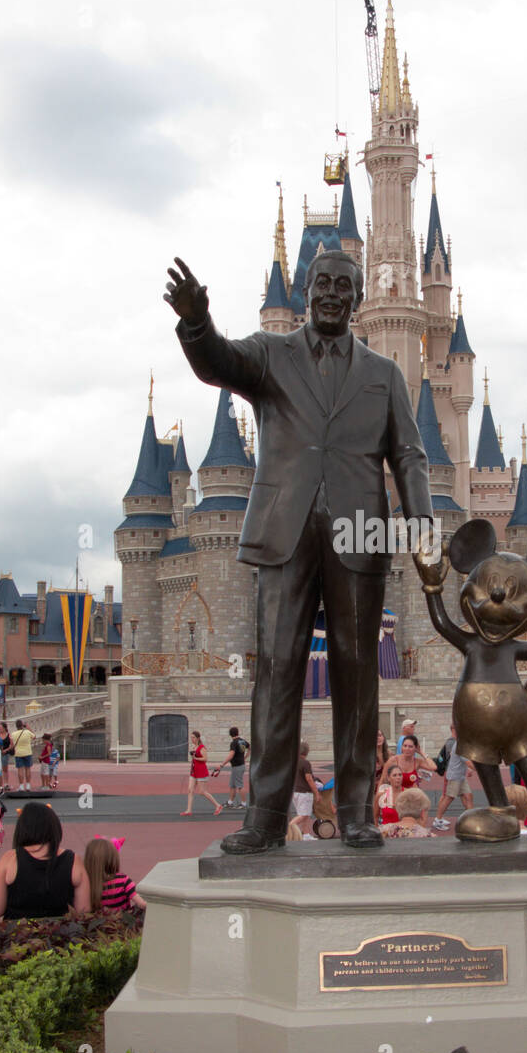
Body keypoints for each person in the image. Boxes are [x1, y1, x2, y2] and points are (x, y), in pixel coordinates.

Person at [167, 249, 432, 852]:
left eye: (344, 284)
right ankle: (264, 814)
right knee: (278, 671)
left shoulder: (384, 374)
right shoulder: (270, 353)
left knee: (358, 675)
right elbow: (217, 363)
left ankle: (358, 810)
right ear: (306, 291)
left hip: (360, 534)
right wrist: (196, 324)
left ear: (359, 296)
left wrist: (422, 524)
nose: (333, 293)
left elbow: (410, 455)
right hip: (283, 533)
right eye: (323, 284)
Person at [0, 802, 90, 920]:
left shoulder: (10, 858)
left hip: (18, 934)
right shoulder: (73, 860)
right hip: (59, 933)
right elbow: (84, 911)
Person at [83, 837, 146, 913]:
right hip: (121, 923)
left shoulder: (86, 882)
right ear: (113, 858)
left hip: (97, 923)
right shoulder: (123, 880)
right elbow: (142, 904)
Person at [435, 725, 474, 824]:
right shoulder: (459, 745)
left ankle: (471, 818)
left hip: (461, 776)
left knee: (468, 796)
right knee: (449, 797)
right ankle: (437, 819)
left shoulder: (463, 744)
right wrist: (482, 771)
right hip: (454, 776)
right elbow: (468, 762)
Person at [181, 731, 223, 817]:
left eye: (193, 737)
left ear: (198, 738)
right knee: (190, 790)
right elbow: (194, 759)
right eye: (191, 737)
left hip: (201, 771)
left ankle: (218, 805)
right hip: (194, 771)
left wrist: (195, 757)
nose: (192, 739)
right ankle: (188, 810)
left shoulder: (202, 747)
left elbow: (205, 759)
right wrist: (194, 757)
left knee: (202, 792)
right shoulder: (194, 747)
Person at [291, 741, 321, 834]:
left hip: (296, 792)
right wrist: (316, 793)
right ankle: (289, 827)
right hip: (304, 793)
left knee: (306, 815)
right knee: (303, 815)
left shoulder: (294, 762)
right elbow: (309, 779)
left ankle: (306, 834)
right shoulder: (305, 763)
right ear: (307, 752)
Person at [224, 727, 249, 809]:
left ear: (230, 734)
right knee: (232, 785)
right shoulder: (243, 741)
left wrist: (222, 764)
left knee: (239, 785)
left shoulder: (233, 743)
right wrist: (245, 757)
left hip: (237, 766)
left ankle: (244, 803)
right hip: (239, 765)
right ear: (237, 733)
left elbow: (231, 755)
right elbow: (250, 748)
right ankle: (230, 802)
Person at [11, 721, 36, 793]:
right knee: (28, 769)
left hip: (18, 753)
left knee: (20, 770)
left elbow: (12, 743)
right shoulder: (27, 732)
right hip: (27, 752)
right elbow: (34, 736)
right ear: (22, 725)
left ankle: (21, 786)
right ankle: (28, 785)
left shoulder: (13, 734)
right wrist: (28, 728)